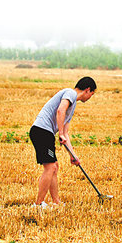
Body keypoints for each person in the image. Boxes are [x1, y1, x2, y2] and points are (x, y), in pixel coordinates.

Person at [29, 76, 97, 207]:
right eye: (92, 94)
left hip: (46, 133)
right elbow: (60, 110)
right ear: (88, 90)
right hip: (41, 131)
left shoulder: (73, 104)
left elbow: (65, 133)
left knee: (54, 167)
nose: (90, 98)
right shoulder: (70, 93)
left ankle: (56, 202)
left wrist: (73, 155)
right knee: (50, 167)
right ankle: (38, 204)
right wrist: (59, 133)